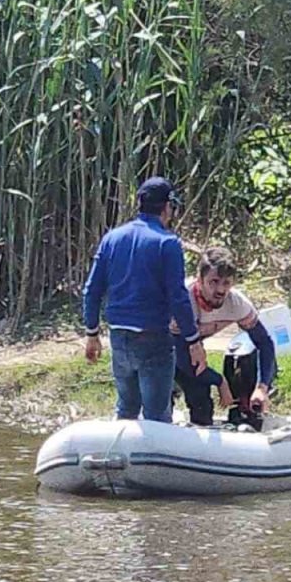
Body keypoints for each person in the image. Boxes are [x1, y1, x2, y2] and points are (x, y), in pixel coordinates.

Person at [82, 176, 207, 423]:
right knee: (157, 415)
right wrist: (193, 340)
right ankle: (157, 459)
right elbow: (178, 298)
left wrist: (92, 333)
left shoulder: (112, 238)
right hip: (154, 339)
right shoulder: (168, 243)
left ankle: (122, 458)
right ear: (167, 206)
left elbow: (92, 289)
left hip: (118, 337)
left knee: (126, 409)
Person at [172, 246, 276, 427]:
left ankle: (243, 414)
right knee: (165, 392)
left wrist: (262, 387)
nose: (220, 290)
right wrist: (220, 381)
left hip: (191, 348)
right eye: (213, 282)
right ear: (199, 280)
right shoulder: (183, 300)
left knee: (202, 405)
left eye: (226, 283)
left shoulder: (237, 303)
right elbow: (183, 361)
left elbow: (264, 342)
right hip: (158, 346)